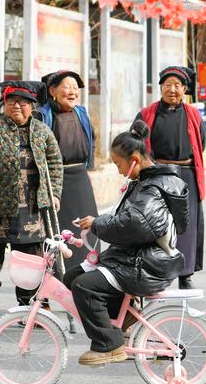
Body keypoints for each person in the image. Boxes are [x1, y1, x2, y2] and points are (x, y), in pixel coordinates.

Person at [69, 119, 188, 366]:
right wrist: (99, 221)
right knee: (71, 277)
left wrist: (99, 224)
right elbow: (129, 219)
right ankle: (125, 320)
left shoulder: (154, 186)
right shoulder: (146, 182)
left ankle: (109, 344)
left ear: (135, 157)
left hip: (147, 264)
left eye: (119, 164)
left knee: (83, 286)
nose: (119, 170)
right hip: (138, 257)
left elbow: (136, 223)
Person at [0, 80, 64, 332]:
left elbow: (55, 163)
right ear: (4, 103)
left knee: (31, 265)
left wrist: (55, 194)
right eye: (12, 101)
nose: (17, 106)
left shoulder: (42, 131)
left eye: (23, 102)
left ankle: (30, 308)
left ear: (32, 106)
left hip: (30, 211)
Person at [135, 66, 205, 290]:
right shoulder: (147, 114)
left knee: (187, 226)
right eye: (167, 85)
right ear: (160, 88)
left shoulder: (193, 114)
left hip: (186, 176)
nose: (172, 90)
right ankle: (157, 272)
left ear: (185, 89)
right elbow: (135, 143)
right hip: (157, 175)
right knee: (156, 224)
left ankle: (185, 274)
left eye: (177, 85)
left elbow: (200, 144)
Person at [35, 69, 96, 270]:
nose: (73, 92)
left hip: (80, 177)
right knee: (58, 230)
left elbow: (91, 139)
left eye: (75, 88)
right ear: (52, 90)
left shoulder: (81, 112)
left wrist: (89, 167)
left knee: (88, 228)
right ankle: (60, 272)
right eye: (67, 87)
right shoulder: (43, 115)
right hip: (56, 182)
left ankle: (89, 267)